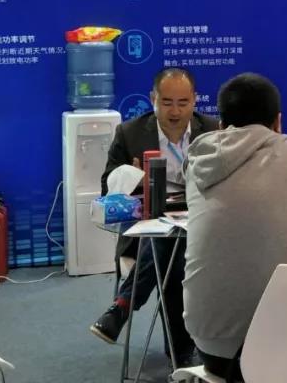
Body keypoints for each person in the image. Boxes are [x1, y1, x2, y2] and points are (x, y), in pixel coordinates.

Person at [183, 73, 287, 380]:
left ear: (221, 124)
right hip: (283, 343)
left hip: (210, 343)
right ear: (278, 121)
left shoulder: (198, 159)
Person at [90, 68, 219, 368]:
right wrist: (132, 180)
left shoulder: (213, 132)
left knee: (172, 249)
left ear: (195, 100)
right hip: (147, 230)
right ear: (153, 99)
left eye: (183, 103)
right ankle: (181, 353)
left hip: (201, 227)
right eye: (167, 102)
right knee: (167, 246)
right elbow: (107, 187)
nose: (175, 112)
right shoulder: (130, 133)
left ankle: (123, 305)